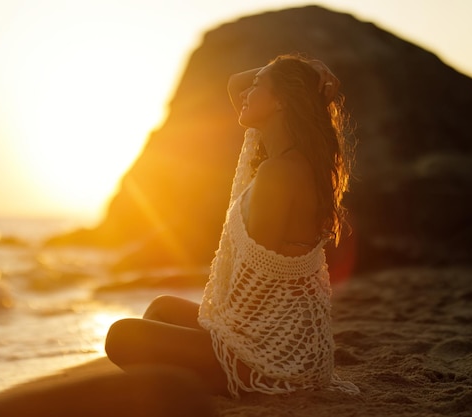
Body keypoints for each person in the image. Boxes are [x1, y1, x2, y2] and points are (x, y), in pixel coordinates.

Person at [105, 53, 358, 398]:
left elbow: (256, 285)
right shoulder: (286, 158)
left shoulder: (279, 173)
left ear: (281, 101)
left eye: (258, 88)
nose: (244, 94)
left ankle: (183, 388)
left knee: (121, 335)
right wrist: (300, 75)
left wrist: (219, 328)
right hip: (277, 335)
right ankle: (177, 386)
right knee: (162, 307)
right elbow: (236, 83)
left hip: (272, 356)